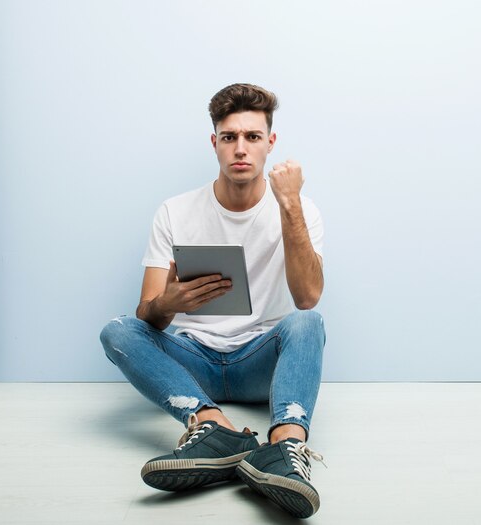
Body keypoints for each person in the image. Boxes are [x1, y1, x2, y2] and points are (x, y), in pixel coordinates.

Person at [99, 83, 326, 519]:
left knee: (308, 323)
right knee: (117, 331)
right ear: (215, 143)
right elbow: (148, 315)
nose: (240, 149)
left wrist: (290, 204)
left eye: (253, 137)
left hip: (260, 362)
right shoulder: (175, 211)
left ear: (270, 144)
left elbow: (307, 297)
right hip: (195, 361)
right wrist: (169, 301)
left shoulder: (300, 209)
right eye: (229, 137)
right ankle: (215, 428)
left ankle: (284, 449)